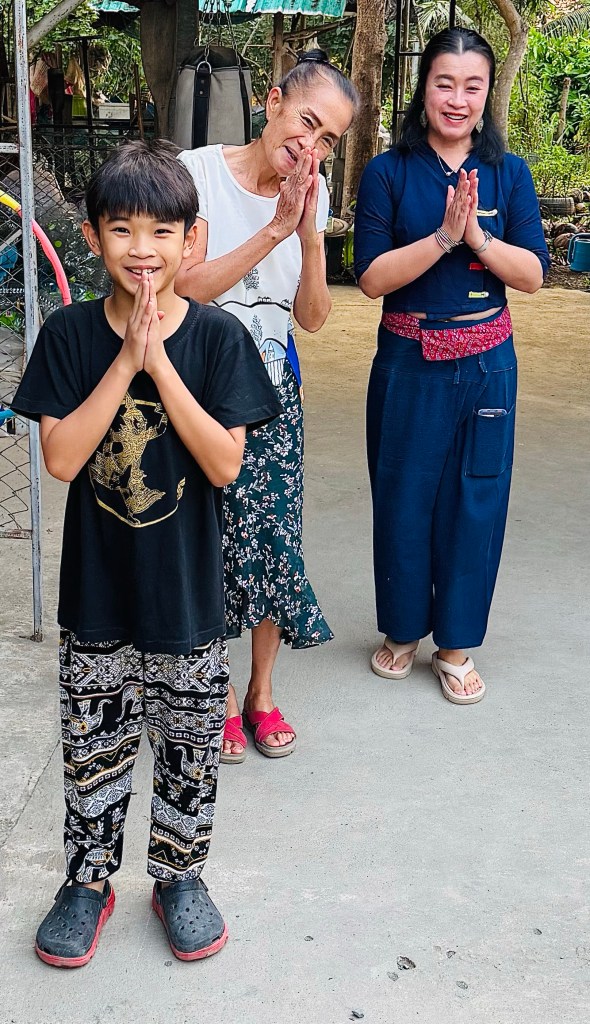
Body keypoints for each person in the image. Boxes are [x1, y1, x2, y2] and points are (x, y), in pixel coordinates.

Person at [10, 139, 281, 967]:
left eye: (162, 231)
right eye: (122, 229)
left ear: (191, 241)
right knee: (91, 751)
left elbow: (225, 463)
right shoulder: (67, 336)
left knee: (190, 750)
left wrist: (158, 364)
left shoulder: (217, 340)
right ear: (93, 236)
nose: (142, 249)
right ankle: (87, 882)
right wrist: (125, 357)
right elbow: (62, 459)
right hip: (98, 599)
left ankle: (180, 877)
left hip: (189, 602)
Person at [354, 28, 549, 705]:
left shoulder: (509, 173)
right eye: (445, 83)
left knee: (477, 497)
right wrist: (441, 238)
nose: (457, 99)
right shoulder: (387, 172)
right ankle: (404, 629)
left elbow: (532, 275)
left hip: (489, 364)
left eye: (472, 86)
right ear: (424, 89)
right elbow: (371, 278)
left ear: (487, 93)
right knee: (404, 494)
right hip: (409, 361)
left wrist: (477, 237)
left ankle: (457, 645)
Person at [176, 51, 358, 760]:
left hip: (275, 395)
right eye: (306, 123)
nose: (311, 147)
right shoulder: (196, 176)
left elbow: (311, 317)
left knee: (277, 538)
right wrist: (275, 229)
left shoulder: (312, 197)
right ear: (273, 102)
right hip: (196, 394)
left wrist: (307, 231)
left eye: (328, 140)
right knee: (208, 538)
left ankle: (261, 690)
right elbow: (185, 286)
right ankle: (218, 689)